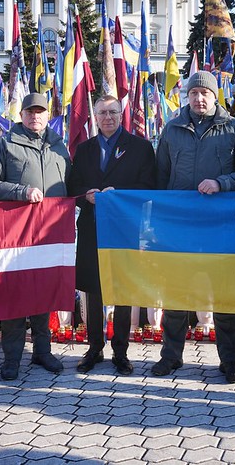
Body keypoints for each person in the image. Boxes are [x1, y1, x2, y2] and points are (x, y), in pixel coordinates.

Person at [153, 70, 235, 384]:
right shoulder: (172, 130)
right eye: (194, 93)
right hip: (181, 228)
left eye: (205, 93)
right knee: (175, 296)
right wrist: (161, 220)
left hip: (221, 229)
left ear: (216, 96)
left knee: (225, 298)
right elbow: (161, 178)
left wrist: (223, 182)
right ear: (187, 96)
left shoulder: (234, 130)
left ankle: (230, 362)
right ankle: (170, 357)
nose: (199, 99)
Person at [0, 92, 71, 381]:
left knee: (44, 293)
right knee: (17, 297)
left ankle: (42, 351)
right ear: (22, 114)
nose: (35, 116)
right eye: (30, 111)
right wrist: (21, 192)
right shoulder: (5, 144)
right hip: (16, 236)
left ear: (48, 115)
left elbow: (71, 183)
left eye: (40, 111)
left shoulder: (60, 147)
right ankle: (12, 358)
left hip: (50, 234)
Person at [67, 95, 156, 375]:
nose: (108, 117)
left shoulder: (141, 148)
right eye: (102, 112)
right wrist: (86, 197)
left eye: (113, 112)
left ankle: (120, 351)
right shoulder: (84, 150)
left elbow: (150, 187)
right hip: (92, 228)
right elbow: (73, 188)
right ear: (95, 116)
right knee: (93, 289)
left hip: (125, 229)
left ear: (121, 114)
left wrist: (121, 196)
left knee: (123, 289)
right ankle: (94, 348)